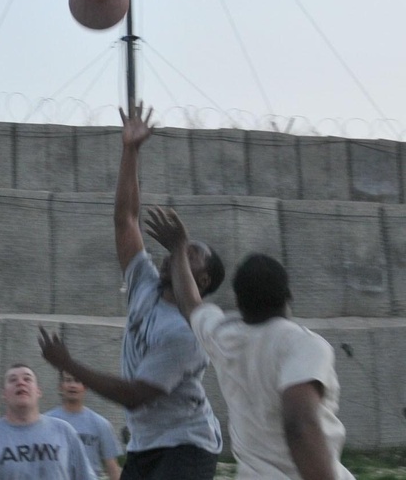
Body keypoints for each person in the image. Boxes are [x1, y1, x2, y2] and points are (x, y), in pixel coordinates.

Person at [39, 103, 224, 480]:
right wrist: (130, 150)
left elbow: (136, 394)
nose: (177, 254)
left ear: (201, 281)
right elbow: (126, 218)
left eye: (191, 254)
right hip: (145, 443)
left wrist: (69, 365)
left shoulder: (187, 332)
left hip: (187, 446)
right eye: (180, 248)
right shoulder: (146, 284)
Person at [145, 205, 355, 480]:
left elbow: (190, 304)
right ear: (288, 296)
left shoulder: (224, 337)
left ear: (239, 303)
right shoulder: (305, 346)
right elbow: (298, 425)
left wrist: (178, 248)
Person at [0, 364, 97, 480]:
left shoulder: (64, 432)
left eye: (27, 379)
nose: (20, 383)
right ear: (4, 394)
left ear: (38, 391)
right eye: (13, 380)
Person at [46, 371, 123, 480]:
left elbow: (112, 467)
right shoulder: (47, 422)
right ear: (60, 387)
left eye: (77, 381)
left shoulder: (100, 424)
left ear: (85, 386)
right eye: (68, 380)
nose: (73, 385)